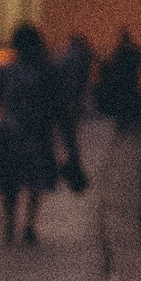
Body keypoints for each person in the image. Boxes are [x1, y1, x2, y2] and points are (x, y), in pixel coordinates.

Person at [0, 22, 65, 245]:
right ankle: (29, 224)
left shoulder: (4, 71)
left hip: (10, 131)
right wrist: (65, 139)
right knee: (35, 182)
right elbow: (57, 107)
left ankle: (9, 223)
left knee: (10, 183)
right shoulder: (47, 71)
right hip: (38, 133)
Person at [54, 32, 95, 195]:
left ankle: (71, 165)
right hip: (73, 102)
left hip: (66, 102)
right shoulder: (85, 57)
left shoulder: (72, 57)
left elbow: (66, 78)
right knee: (69, 135)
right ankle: (72, 162)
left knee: (67, 134)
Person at [94, 29, 141, 133]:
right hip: (131, 83)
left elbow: (115, 66)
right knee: (128, 105)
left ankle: (123, 127)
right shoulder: (134, 50)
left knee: (122, 107)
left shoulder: (121, 51)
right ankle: (128, 126)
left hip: (122, 84)